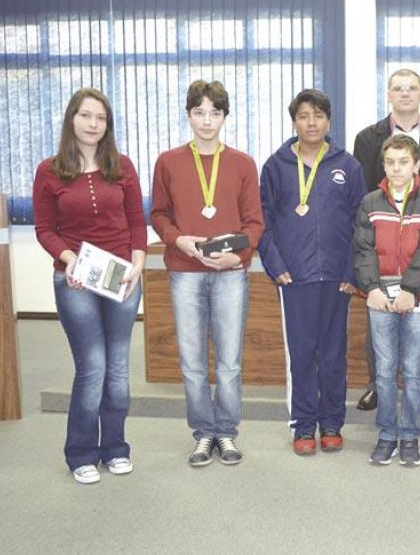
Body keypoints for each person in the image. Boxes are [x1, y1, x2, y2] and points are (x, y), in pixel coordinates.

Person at [34, 88, 146, 484]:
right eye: (86, 115)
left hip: (121, 279)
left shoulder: (123, 166)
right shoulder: (49, 171)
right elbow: (45, 230)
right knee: (92, 368)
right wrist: (69, 260)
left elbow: (136, 222)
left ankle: (115, 447)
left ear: (107, 125)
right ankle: (81, 452)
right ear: (72, 119)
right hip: (75, 279)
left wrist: (137, 264)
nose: (93, 124)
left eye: (100, 118)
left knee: (118, 369)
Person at [151, 80, 264, 467]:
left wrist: (239, 256)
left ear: (224, 117)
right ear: (188, 115)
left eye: (214, 113)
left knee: (230, 360)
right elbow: (159, 215)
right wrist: (178, 240)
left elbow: (254, 223)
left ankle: (227, 432)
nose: (206, 120)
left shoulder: (243, 163)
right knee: (193, 360)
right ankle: (203, 433)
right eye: (199, 112)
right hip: (185, 272)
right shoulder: (168, 161)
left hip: (231, 273)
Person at [258, 89, 365, 456]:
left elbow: (361, 223)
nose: (312, 122)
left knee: (333, 352)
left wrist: (353, 269)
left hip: (337, 276)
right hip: (295, 277)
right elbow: (263, 221)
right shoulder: (275, 166)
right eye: (304, 116)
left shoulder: (347, 166)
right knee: (302, 353)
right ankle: (304, 424)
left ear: (329, 121)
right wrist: (277, 266)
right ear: (294, 122)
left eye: (318, 116)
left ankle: (332, 421)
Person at [352, 68, 420, 413]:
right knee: (378, 312)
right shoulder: (368, 138)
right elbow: (365, 193)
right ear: (389, 94)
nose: (406, 94)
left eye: (412, 88)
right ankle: (377, 386)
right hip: (383, 238)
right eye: (399, 88)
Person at [354, 134, 420, 466]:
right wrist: (372, 288)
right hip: (379, 297)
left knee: (412, 369)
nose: (397, 168)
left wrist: (411, 290)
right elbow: (363, 251)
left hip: (417, 297)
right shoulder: (370, 203)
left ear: (416, 165)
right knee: (384, 370)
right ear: (383, 165)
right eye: (390, 162)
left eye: (403, 162)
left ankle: (409, 435)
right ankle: (386, 434)